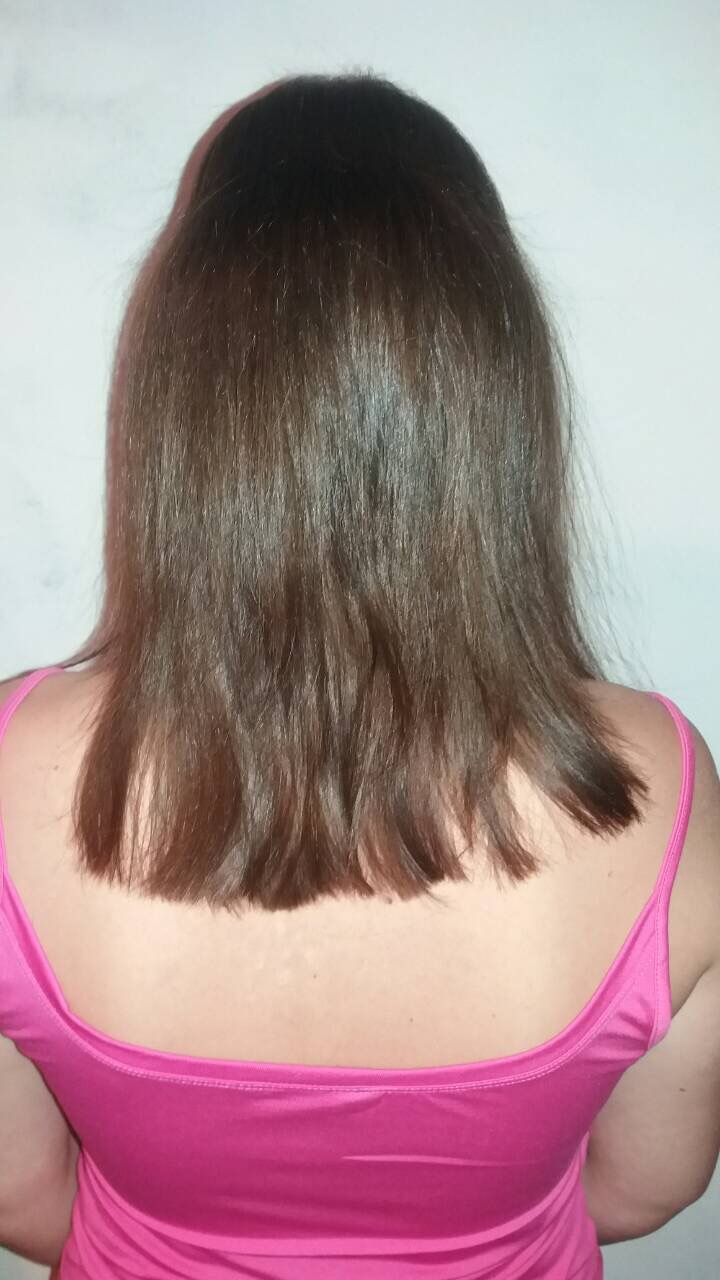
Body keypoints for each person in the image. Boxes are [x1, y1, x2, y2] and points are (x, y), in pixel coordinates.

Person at [1, 71, 719, 1280]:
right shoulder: (661, 785)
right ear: (495, 400)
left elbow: (20, 1190)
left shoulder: (14, 770)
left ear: (183, 409)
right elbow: (649, 1184)